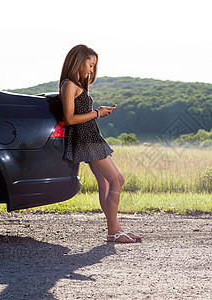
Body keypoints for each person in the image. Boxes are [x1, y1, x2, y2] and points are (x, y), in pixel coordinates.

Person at [59, 44, 142, 243]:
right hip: (87, 141)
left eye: (94, 66)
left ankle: (116, 228)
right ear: (78, 61)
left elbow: (81, 114)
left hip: (92, 138)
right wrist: (97, 113)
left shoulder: (78, 85)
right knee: (117, 180)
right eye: (90, 64)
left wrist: (99, 111)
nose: (91, 70)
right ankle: (113, 231)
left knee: (105, 182)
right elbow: (70, 119)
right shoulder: (69, 84)